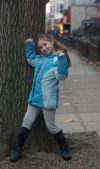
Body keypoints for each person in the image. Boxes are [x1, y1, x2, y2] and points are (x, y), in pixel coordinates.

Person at [9, 34, 72, 162]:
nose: (43, 48)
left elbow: (61, 76)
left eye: (45, 44)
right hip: (35, 99)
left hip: (48, 100)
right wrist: (30, 46)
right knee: (27, 122)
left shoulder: (58, 59)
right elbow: (31, 59)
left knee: (51, 126)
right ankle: (16, 149)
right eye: (41, 47)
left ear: (52, 42)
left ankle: (65, 149)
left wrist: (62, 59)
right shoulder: (41, 59)